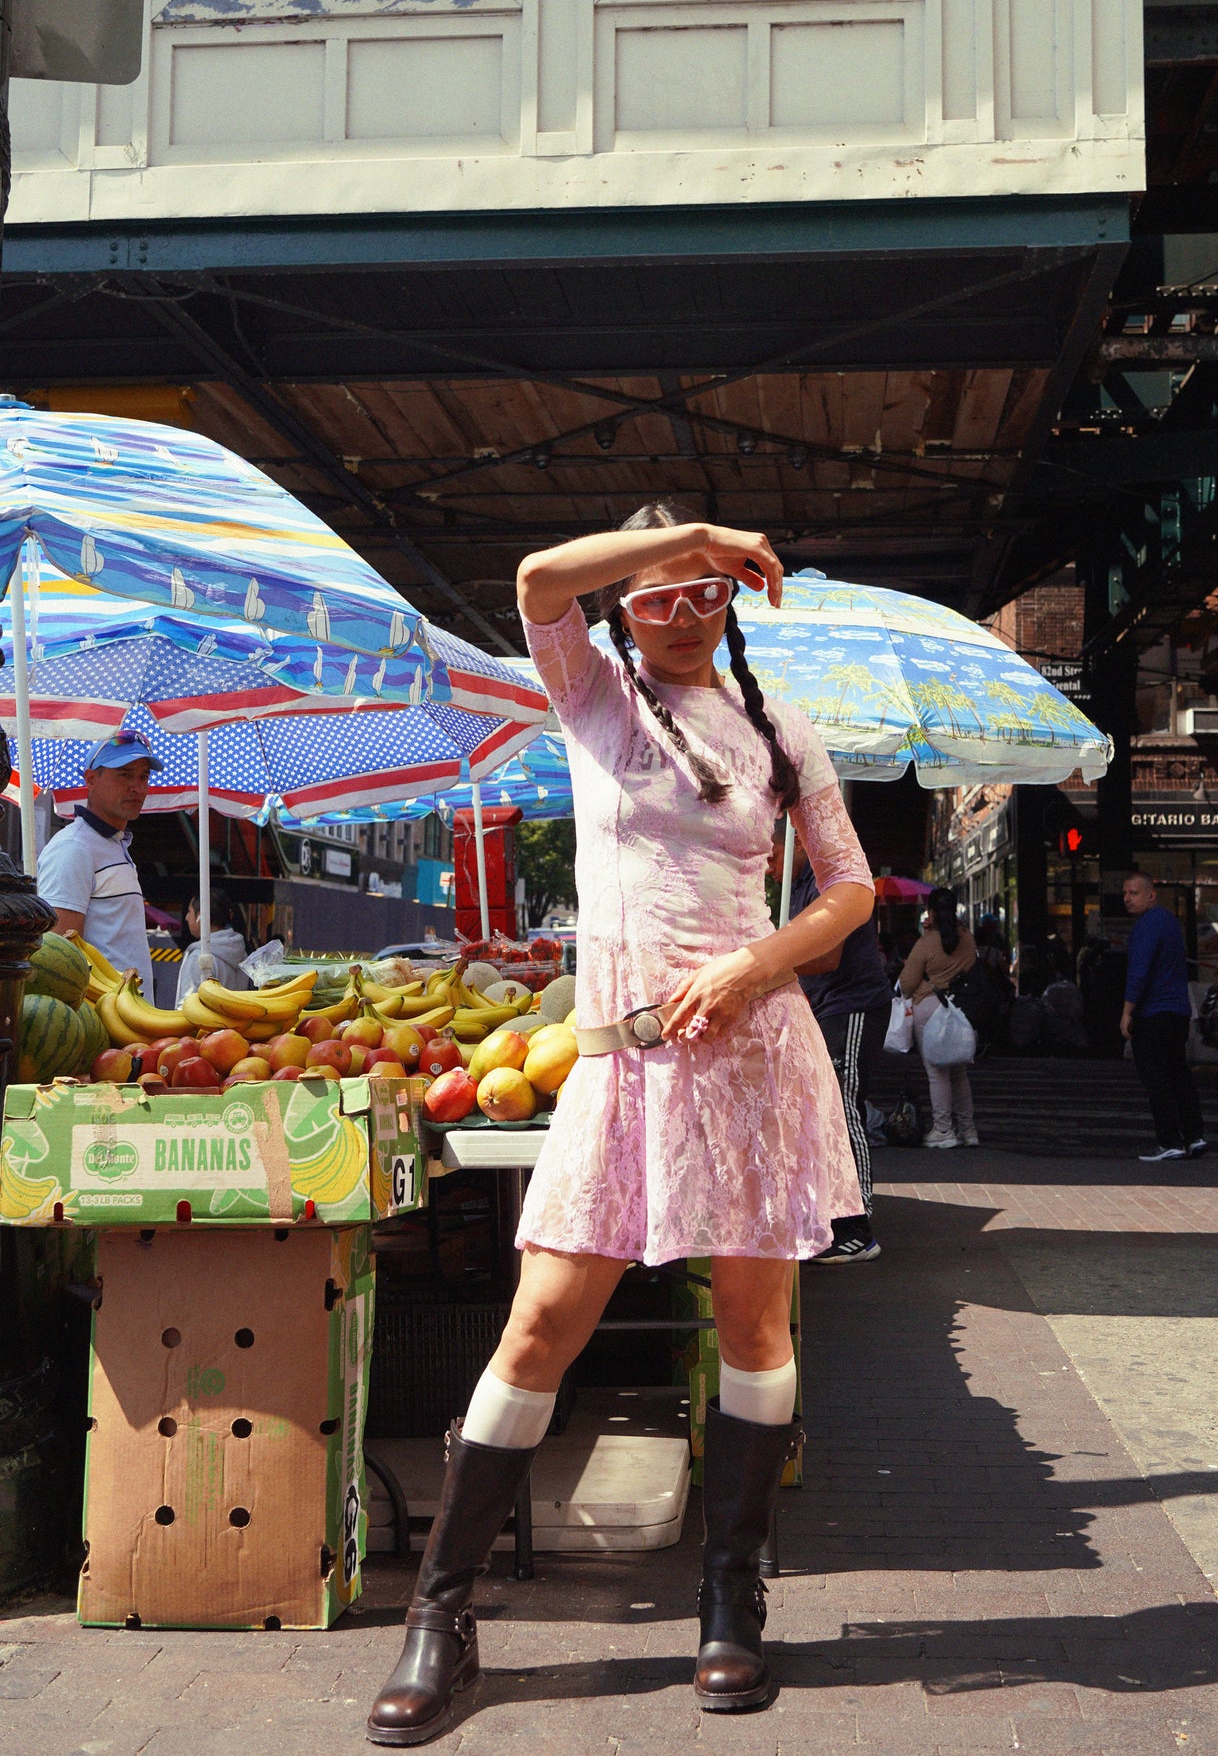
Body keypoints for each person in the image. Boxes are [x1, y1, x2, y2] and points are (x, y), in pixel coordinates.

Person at [367, 506, 875, 1744]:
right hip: (620, 1063)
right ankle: (442, 1616)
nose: (683, 608)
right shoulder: (592, 696)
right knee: (540, 1321)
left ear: (732, 603)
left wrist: (759, 964)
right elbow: (536, 573)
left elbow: (852, 887)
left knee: (751, 1321)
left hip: (754, 1062)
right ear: (624, 610)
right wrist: (695, 527)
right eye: (657, 592)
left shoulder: (777, 728)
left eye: (704, 591)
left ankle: (728, 1598)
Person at [770, 823, 891, 1263]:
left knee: (844, 1103)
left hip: (853, 1005)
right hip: (826, 1007)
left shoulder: (825, 879)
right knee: (825, 1107)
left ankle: (858, 1227)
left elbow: (826, 954)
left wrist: (764, 962)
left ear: (798, 841)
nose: (765, 862)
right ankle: (833, 1216)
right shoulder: (796, 884)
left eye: (771, 850)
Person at [36, 728, 163, 999]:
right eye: (124, 774)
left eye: (144, 776)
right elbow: (60, 957)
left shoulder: (116, 844)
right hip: (101, 1025)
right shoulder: (74, 847)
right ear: (91, 778)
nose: (137, 787)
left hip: (129, 1024)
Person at [1121, 871, 1206, 1163]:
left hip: (1154, 1012)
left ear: (1151, 895)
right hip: (1177, 1011)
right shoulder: (1170, 922)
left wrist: (1127, 1012)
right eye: (1125, 894)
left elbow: (1139, 972)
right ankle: (1195, 1136)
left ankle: (1170, 1140)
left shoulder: (1147, 925)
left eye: (1134, 893)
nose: (1127, 899)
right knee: (1178, 1074)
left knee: (1156, 1077)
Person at [896, 887, 981, 1149]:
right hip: (960, 1010)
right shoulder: (968, 939)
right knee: (959, 1072)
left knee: (937, 1073)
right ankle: (968, 1130)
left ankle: (943, 1129)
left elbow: (907, 984)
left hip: (929, 1009)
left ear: (931, 912)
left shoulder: (925, 944)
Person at [173, 888, 250, 1003]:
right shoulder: (242, 953)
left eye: (189, 912)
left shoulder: (199, 957)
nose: (186, 917)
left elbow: (187, 1006)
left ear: (200, 917)